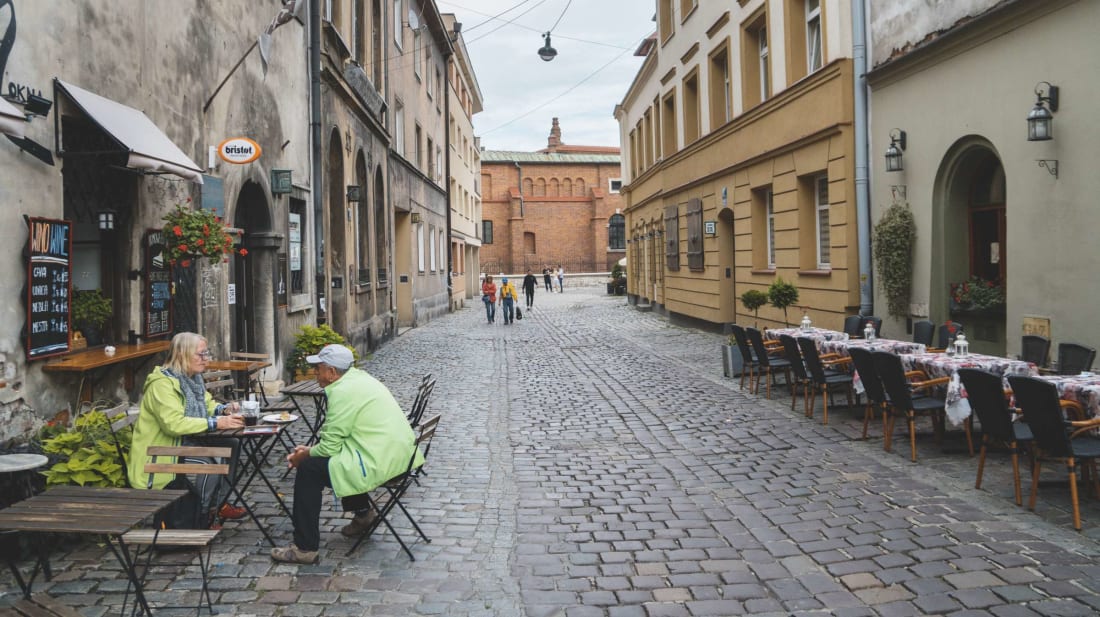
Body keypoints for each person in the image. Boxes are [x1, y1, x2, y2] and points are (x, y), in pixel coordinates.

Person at [271, 345, 422, 564]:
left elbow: (330, 446)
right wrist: (311, 450)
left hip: (381, 462)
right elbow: (335, 440)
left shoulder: (342, 392)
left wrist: (303, 455)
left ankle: (304, 547)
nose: (315, 374)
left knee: (309, 469)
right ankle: (363, 514)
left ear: (332, 372)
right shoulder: (359, 378)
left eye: (318, 369)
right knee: (337, 459)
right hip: (397, 457)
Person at [128, 332, 246, 524]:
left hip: (185, 440)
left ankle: (219, 504)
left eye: (206, 353)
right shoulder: (162, 385)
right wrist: (215, 423)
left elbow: (206, 404)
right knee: (208, 466)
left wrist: (224, 410)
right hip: (160, 450)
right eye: (201, 354)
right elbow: (174, 424)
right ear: (182, 354)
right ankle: (202, 515)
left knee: (232, 444)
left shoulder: (193, 378)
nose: (205, 359)